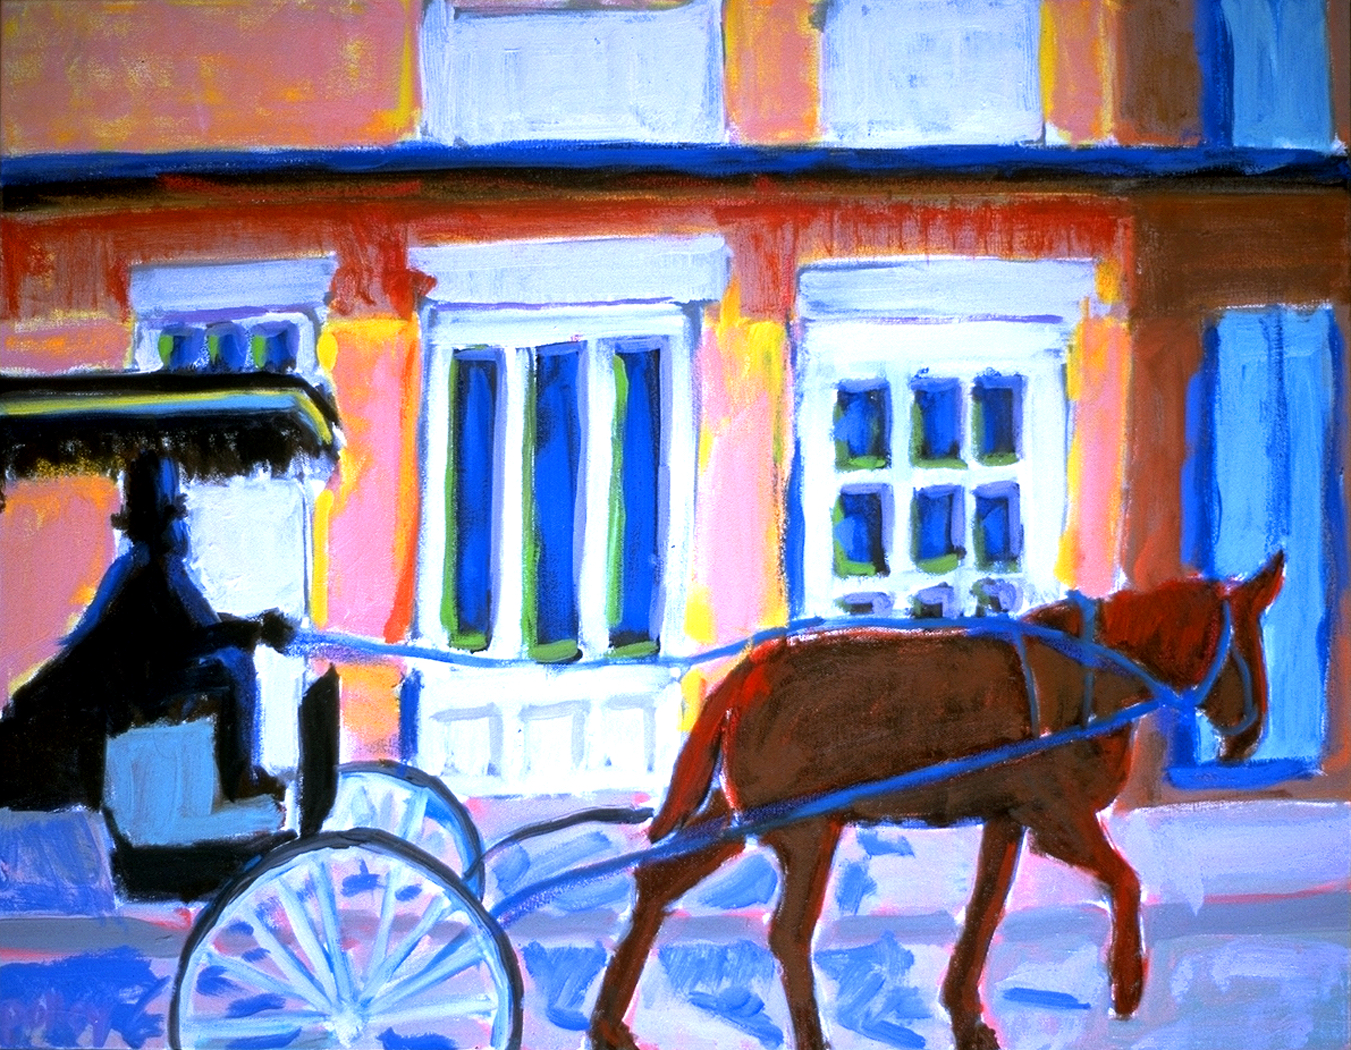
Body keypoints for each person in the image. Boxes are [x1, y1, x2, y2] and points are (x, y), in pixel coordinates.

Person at [0, 453, 292, 812]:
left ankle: (240, 776)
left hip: (116, 689)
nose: (183, 523)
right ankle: (240, 778)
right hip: (116, 695)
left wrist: (252, 629)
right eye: (176, 511)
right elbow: (179, 644)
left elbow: (194, 626)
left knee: (233, 660)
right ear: (164, 518)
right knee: (236, 668)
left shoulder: (141, 568)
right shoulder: (153, 571)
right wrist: (254, 631)